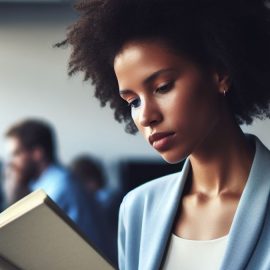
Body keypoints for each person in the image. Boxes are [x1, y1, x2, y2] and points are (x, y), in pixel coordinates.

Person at [58, 0, 270, 269]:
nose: (146, 117)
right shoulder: (138, 209)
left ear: (220, 73)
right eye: (133, 101)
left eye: (162, 87)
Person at [3, 119, 108, 262]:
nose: (11, 163)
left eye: (16, 153)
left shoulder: (59, 188)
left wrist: (13, 192)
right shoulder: (43, 183)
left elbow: (26, 246)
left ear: (37, 153)